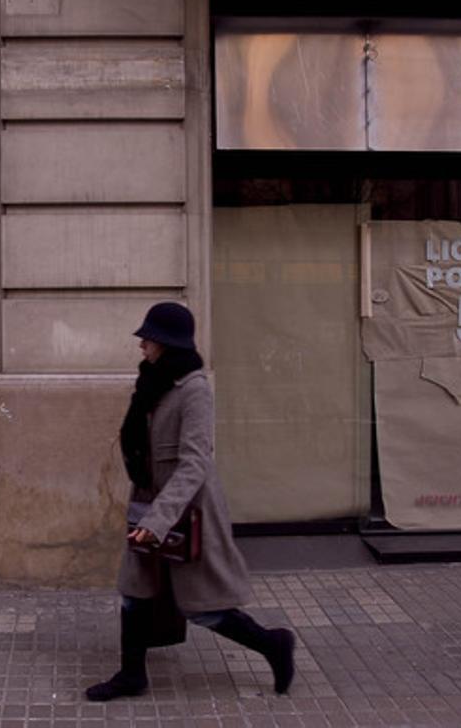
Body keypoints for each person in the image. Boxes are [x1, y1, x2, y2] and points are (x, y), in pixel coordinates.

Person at [85, 301, 296, 702]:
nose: (141, 344)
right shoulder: (152, 381)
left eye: (149, 337)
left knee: (201, 606)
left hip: (185, 512)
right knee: (135, 590)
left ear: (167, 342)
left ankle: (273, 644)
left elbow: (195, 462)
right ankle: (132, 675)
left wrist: (160, 518)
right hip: (148, 503)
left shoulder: (193, 389)